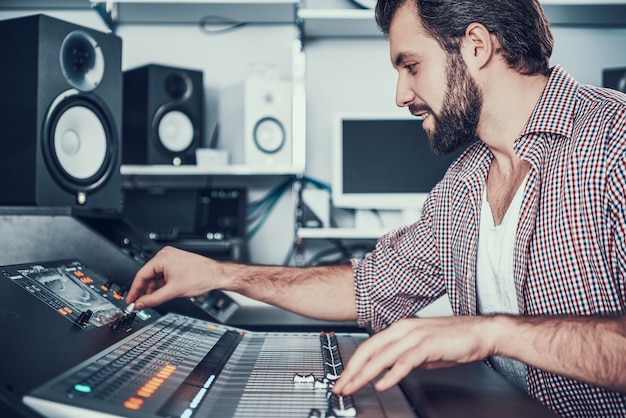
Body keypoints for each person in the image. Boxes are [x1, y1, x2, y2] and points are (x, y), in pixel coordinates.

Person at [126, 0, 626, 416]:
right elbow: (368, 286)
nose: (400, 94)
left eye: (411, 66)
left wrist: (489, 332)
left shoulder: (613, 143)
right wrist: (221, 274)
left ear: (476, 46)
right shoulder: (463, 186)